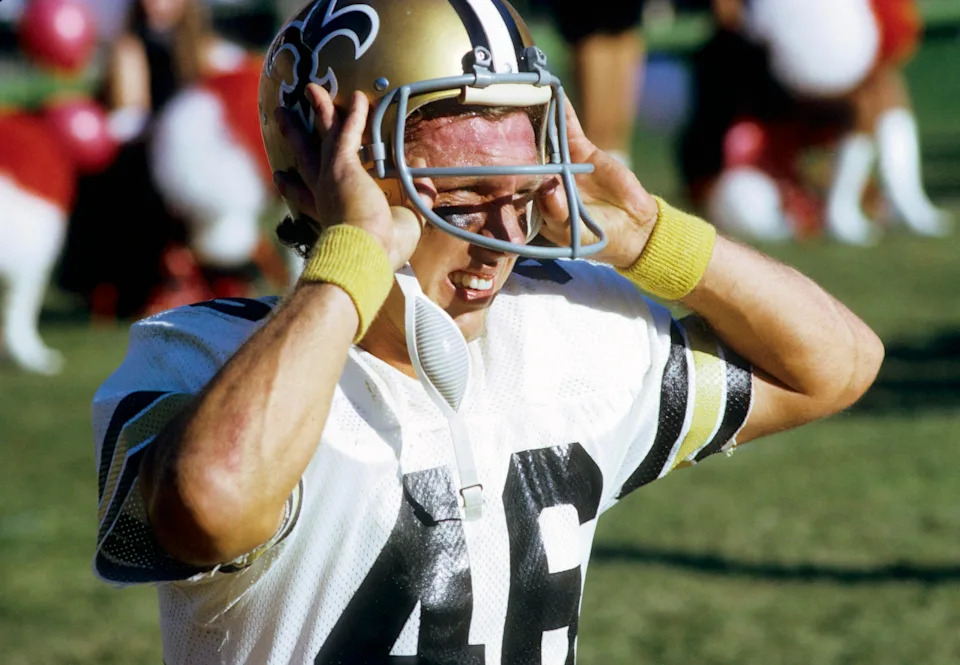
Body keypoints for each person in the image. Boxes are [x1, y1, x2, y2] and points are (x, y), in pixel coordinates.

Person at [92, 1, 883, 662]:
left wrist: (653, 240)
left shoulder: (568, 328)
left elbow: (835, 364)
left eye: (522, 182)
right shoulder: (205, 358)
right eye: (461, 191)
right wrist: (358, 256)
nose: (503, 232)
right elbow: (212, 500)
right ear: (322, 171)